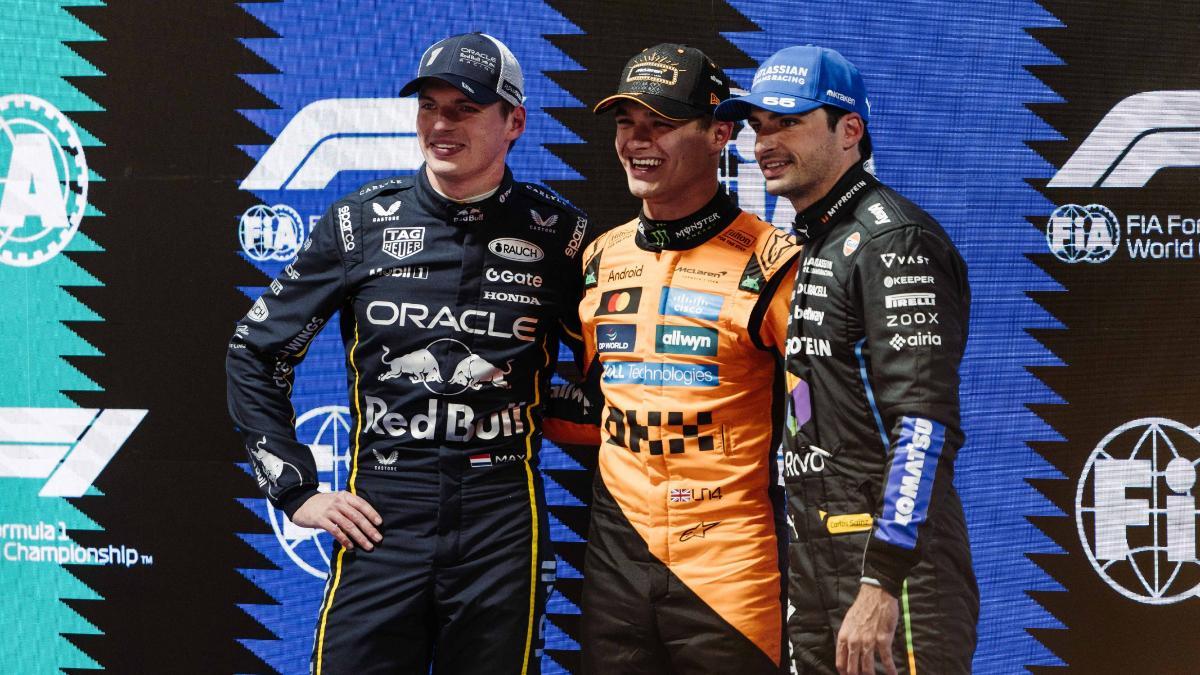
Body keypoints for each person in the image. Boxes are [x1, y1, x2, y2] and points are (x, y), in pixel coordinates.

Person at [226, 32, 589, 675]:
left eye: (464, 109)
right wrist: (294, 489)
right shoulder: (360, 223)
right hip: (382, 515)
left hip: (502, 521)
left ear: (515, 122)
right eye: (429, 107)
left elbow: (612, 369)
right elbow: (255, 351)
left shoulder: (561, 234)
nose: (441, 126)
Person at [715, 45, 978, 675]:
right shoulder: (818, 239)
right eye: (759, 126)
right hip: (820, 567)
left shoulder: (893, 240)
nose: (765, 143)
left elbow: (924, 424)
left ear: (849, 130)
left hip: (894, 580)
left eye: (788, 122)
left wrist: (882, 581)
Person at [545, 43, 802, 674]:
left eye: (660, 123)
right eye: (626, 123)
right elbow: (602, 402)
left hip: (730, 567)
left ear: (719, 134)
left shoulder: (775, 260)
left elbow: (820, 414)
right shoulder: (600, 256)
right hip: (617, 562)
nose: (638, 140)